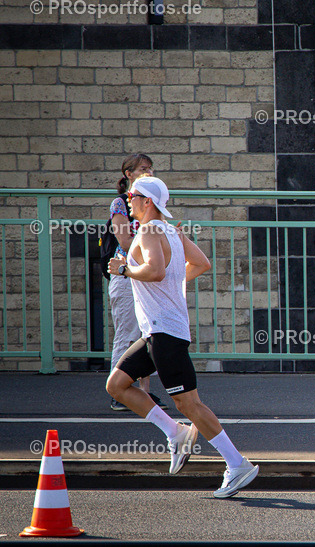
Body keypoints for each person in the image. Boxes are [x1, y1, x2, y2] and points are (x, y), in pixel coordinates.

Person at [105, 176, 258, 498]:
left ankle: (237, 463)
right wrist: (171, 285)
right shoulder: (172, 231)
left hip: (164, 331)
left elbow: (155, 271)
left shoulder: (147, 231)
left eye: (132, 195)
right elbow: (200, 264)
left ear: (147, 202)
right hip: (155, 330)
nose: (128, 199)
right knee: (117, 385)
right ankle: (175, 433)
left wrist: (124, 271)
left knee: (188, 402)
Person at [106, 154, 167, 412]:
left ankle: (143, 394)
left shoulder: (150, 206)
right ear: (128, 174)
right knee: (126, 332)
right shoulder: (121, 204)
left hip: (142, 272)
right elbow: (124, 241)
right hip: (126, 273)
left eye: (151, 168)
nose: (149, 172)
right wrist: (150, 242)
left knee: (145, 332)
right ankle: (118, 392)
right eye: (143, 169)